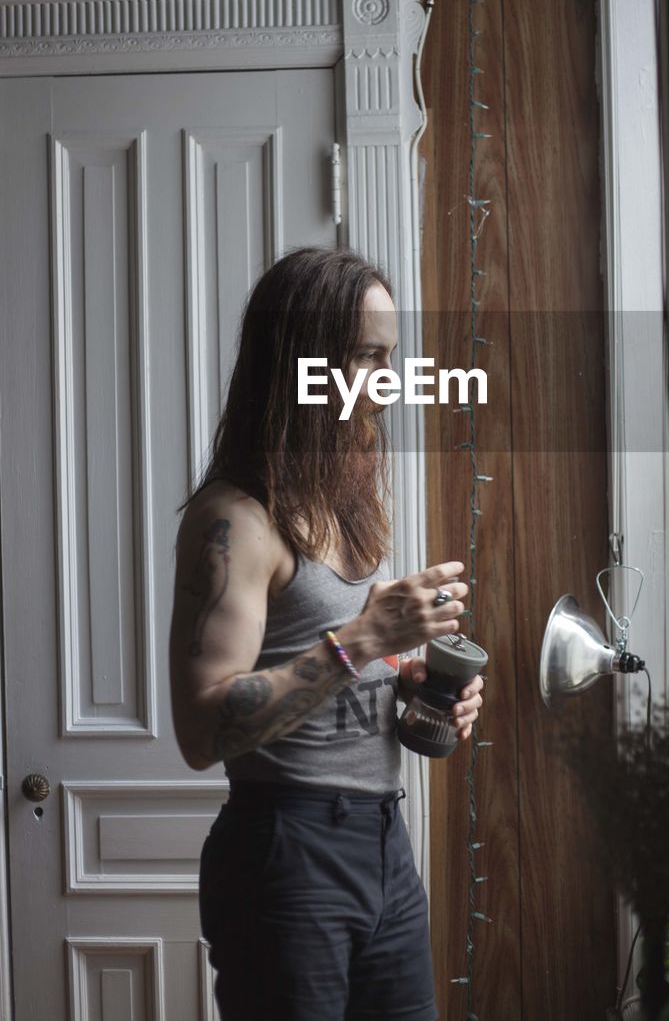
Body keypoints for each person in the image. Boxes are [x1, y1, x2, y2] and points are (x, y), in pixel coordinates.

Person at [169, 245, 485, 1021]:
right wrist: (361, 643)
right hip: (285, 848)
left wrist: (415, 696)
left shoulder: (347, 503)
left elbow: (343, 676)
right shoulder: (234, 520)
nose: (389, 383)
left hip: (381, 838)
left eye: (392, 357)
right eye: (368, 358)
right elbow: (202, 729)